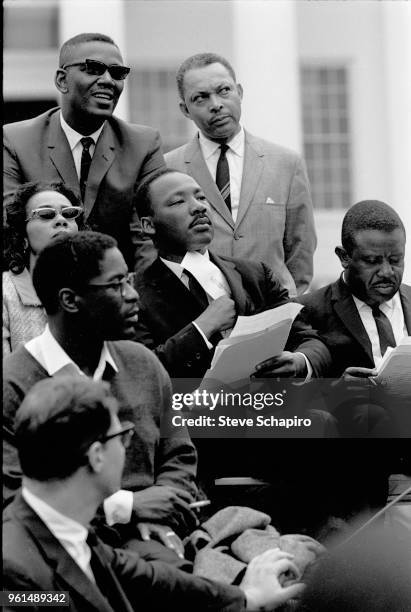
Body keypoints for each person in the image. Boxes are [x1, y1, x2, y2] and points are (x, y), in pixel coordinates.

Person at [3, 376, 304, 612]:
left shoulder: (62, 528)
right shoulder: (16, 577)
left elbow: (153, 580)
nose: (127, 446)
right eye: (122, 436)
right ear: (96, 456)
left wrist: (245, 597)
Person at [3, 231, 198, 565]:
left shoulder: (143, 363)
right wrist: (127, 509)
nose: (133, 296)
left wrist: (162, 509)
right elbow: (12, 500)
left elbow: (178, 454)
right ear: (70, 300)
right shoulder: (13, 384)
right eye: (116, 284)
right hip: (60, 558)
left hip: (165, 535)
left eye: (130, 280)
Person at [134, 168, 330, 379]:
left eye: (201, 197)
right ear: (148, 225)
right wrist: (203, 328)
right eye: (177, 202)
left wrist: (301, 361)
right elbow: (141, 373)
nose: (199, 207)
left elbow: (311, 339)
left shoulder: (255, 275)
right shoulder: (134, 295)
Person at [3, 32, 165, 270]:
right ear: (61, 80)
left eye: (117, 73)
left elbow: (148, 235)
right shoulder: (15, 140)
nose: (108, 80)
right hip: (42, 285)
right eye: (93, 69)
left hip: (118, 287)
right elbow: (12, 228)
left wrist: (135, 299)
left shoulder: (144, 144)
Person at [165, 53, 316, 296]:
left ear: (240, 92)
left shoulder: (286, 163)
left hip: (274, 309)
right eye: (200, 98)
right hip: (204, 314)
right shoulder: (167, 169)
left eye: (224, 90)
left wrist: (288, 305)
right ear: (185, 109)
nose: (215, 104)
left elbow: (301, 249)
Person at [298, 200, 410, 378]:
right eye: (372, 261)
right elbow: (285, 395)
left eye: (396, 260)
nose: (387, 272)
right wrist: (340, 392)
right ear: (344, 257)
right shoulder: (305, 312)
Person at [3, 181, 85, 354]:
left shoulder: (97, 284)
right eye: (46, 214)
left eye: (69, 213)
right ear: (22, 235)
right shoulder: (4, 292)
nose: (62, 220)